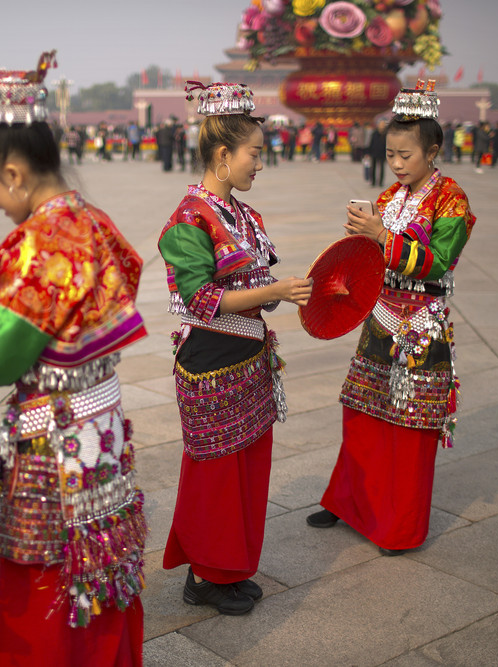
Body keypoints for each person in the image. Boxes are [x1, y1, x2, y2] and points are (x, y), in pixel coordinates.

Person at [0, 52, 148, 665]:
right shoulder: (90, 221)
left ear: (15, 173)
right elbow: (63, 320)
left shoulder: (38, 243)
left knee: (49, 591)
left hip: (55, 447)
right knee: (97, 571)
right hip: (99, 430)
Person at [160, 82, 312, 616]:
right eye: (254, 154)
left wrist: (288, 293)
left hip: (249, 357)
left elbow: (257, 288)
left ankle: (231, 567)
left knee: (246, 467)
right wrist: (272, 291)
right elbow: (201, 299)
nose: (260, 165)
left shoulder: (244, 216)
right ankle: (205, 573)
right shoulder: (188, 219)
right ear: (223, 155)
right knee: (215, 472)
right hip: (209, 360)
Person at [307, 81, 476, 557]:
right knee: (360, 412)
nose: (397, 163)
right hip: (380, 318)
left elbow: (439, 259)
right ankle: (349, 502)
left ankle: (399, 526)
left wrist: (381, 236)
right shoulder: (390, 196)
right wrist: (357, 250)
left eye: (406, 155)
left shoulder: (451, 200)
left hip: (421, 326)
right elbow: (370, 260)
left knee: (409, 427)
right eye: (391, 154)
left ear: (433, 151)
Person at [367, 119, 387, 187]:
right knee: (373, 168)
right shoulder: (374, 133)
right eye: (381, 124)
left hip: (382, 153)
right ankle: (373, 181)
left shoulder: (386, 134)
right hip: (374, 152)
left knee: (382, 168)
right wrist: (368, 152)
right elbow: (371, 143)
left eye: (383, 124)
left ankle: (381, 182)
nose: (382, 126)